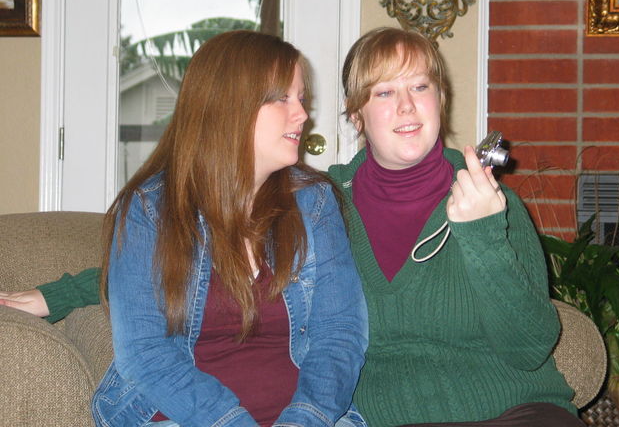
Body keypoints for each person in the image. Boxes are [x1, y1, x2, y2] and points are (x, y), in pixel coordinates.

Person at [1, 27, 582, 427]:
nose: (406, 107)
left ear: (442, 100)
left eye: (420, 87)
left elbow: (527, 346)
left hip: (496, 411)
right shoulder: (327, 198)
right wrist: (60, 293)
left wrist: (483, 234)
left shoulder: (329, 203)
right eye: (385, 92)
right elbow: (155, 293)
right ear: (358, 116)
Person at [0, 30, 369, 427]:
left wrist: (305, 419)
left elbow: (340, 334)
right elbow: (145, 354)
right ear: (229, 104)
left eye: (301, 98)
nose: (302, 114)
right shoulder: (148, 211)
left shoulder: (314, 202)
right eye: (282, 98)